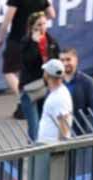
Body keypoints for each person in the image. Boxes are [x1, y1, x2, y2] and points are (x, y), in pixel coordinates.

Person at [0, 0, 54, 116]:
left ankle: (24, 100)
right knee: (31, 71)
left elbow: (8, 19)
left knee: (9, 71)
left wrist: (0, 37)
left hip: (17, 39)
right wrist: (38, 24)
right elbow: (52, 14)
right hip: (36, 40)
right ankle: (37, 101)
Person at [18, 12, 60, 142]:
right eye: (38, 25)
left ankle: (41, 153)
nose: (42, 28)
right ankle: (32, 154)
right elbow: (28, 62)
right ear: (31, 28)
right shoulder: (26, 42)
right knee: (34, 127)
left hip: (46, 87)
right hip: (31, 88)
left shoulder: (51, 41)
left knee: (44, 124)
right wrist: (34, 44)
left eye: (44, 24)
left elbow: (56, 61)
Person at [60, 48, 93, 135]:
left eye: (68, 59)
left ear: (76, 60)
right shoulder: (56, 83)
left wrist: (92, 134)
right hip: (59, 134)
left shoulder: (87, 82)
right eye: (62, 60)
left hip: (79, 134)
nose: (65, 63)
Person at [37, 59, 72, 144]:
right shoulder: (57, 93)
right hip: (48, 146)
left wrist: (60, 149)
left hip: (51, 148)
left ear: (47, 75)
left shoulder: (59, 97)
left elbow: (64, 122)